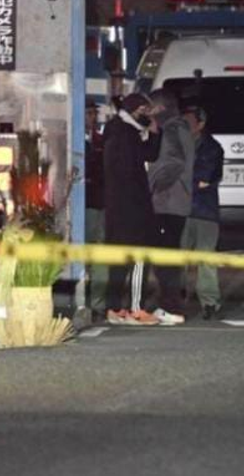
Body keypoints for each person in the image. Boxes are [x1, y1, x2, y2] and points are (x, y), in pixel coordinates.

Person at [103, 93, 162, 326]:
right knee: (139, 257)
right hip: (132, 207)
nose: (148, 116)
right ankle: (136, 309)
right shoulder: (126, 134)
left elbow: (147, 154)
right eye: (145, 111)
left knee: (118, 259)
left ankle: (114, 307)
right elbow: (144, 158)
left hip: (117, 208)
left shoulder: (116, 130)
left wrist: (152, 133)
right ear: (137, 110)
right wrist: (153, 132)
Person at [146, 88, 195, 325]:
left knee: (165, 258)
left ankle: (170, 307)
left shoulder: (172, 129)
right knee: (168, 255)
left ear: (161, 108)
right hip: (176, 203)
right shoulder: (180, 128)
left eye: (151, 107)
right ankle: (170, 304)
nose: (148, 112)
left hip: (168, 203)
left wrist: (155, 185)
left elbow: (174, 162)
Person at [181, 105, 225, 320]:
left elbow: (204, 178)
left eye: (189, 121)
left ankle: (209, 301)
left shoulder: (212, 147)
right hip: (181, 209)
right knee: (178, 256)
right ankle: (177, 299)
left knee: (206, 257)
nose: (186, 125)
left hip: (204, 211)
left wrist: (183, 181)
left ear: (201, 124)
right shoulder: (177, 144)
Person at [83, 98, 109, 321]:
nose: (91, 118)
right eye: (88, 113)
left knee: (100, 250)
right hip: (82, 203)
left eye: (94, 113)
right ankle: (83, 299)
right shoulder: (72, 140)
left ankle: (98, 302)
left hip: (99, 202)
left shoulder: (102, 141)